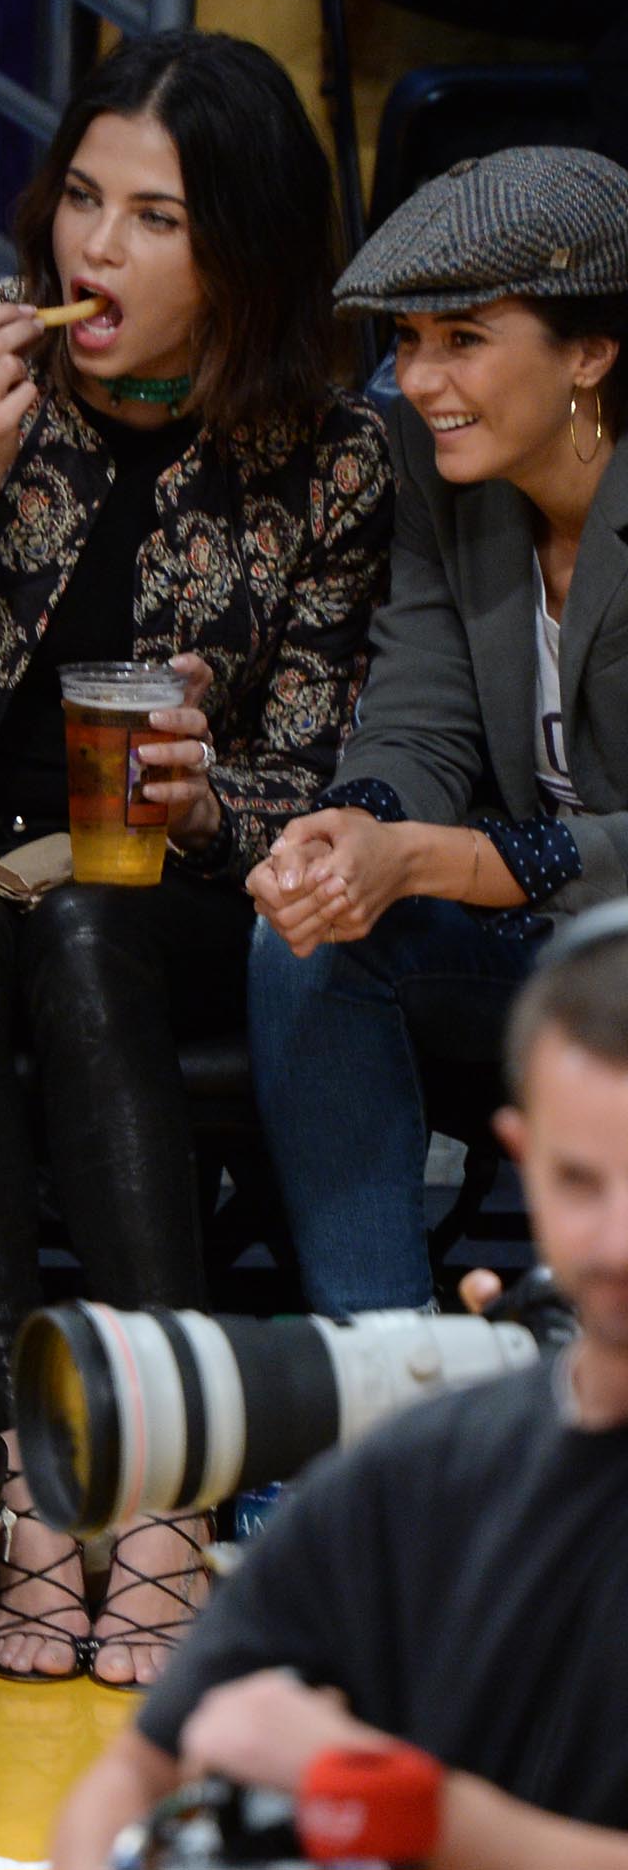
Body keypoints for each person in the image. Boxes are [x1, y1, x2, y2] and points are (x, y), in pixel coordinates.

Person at [0, 30, 393, 1690]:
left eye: (156, 218)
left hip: (152, 891)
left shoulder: (329, 451)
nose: (93, 253)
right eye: (81, 199)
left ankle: (160, 1485)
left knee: (83, 932)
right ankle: (21, 1477)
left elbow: (332, 768)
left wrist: (210, 799)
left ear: (245, 251)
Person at [53, 905, 628, 1869]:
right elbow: (131, 1775)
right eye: (580, 1183)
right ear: (522, 1157)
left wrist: (390, 1795)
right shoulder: (426, 1461)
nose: (618, 1241)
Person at [248, 146, 628, 1317]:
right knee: (311, 935)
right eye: (406, 340)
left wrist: (446, 860)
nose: (418, 379)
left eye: (462, 338)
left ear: (591, 351)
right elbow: (421, 715)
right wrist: (355, 828)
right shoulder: (430, 457)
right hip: (547, 927)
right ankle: (388, 1380)